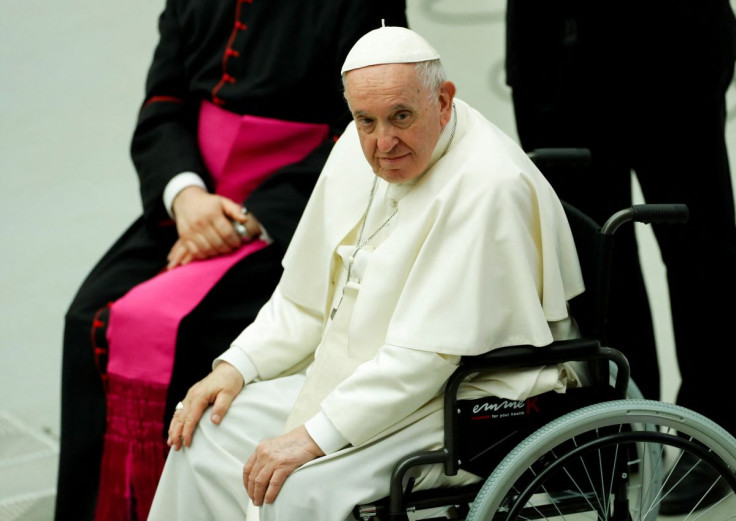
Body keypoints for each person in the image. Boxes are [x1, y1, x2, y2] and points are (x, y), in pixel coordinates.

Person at [146, 25, 586, 521]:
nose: (384, 143)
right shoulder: (356, 152)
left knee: (294, 487)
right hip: (364, 374)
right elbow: (304, 299)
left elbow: (427, 357)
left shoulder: (488, 186)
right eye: (366, 121)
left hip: (467, 393)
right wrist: (235, 366)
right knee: (208, 433)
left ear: (443, 101)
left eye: (401, 116)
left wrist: (312, 437)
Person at [55, 3, 409, 521]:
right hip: (194, 204)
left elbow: (359, 129)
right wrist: (186, 198)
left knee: (191, 330)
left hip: (294, 214)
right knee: (88, 319)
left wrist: (251, 220)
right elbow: (162, 103)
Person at [505, 0, 736, 514]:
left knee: (698, 246)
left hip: (673, 37)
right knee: (589, 257)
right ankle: (617, 426)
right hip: (553, 41)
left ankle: (713, 424)